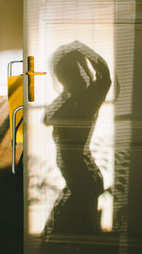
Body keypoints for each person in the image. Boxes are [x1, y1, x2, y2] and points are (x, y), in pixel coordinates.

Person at [44, 41, 111, 233]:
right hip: (75, 180)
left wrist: (83, 49)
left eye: (66, 74)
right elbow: (46, 118)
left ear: (79, 73)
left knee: (75, 233)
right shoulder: (69, 100)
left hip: (82, 179)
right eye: (61, 75)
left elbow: (105, 78)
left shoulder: (89, 98)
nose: (63, 79)